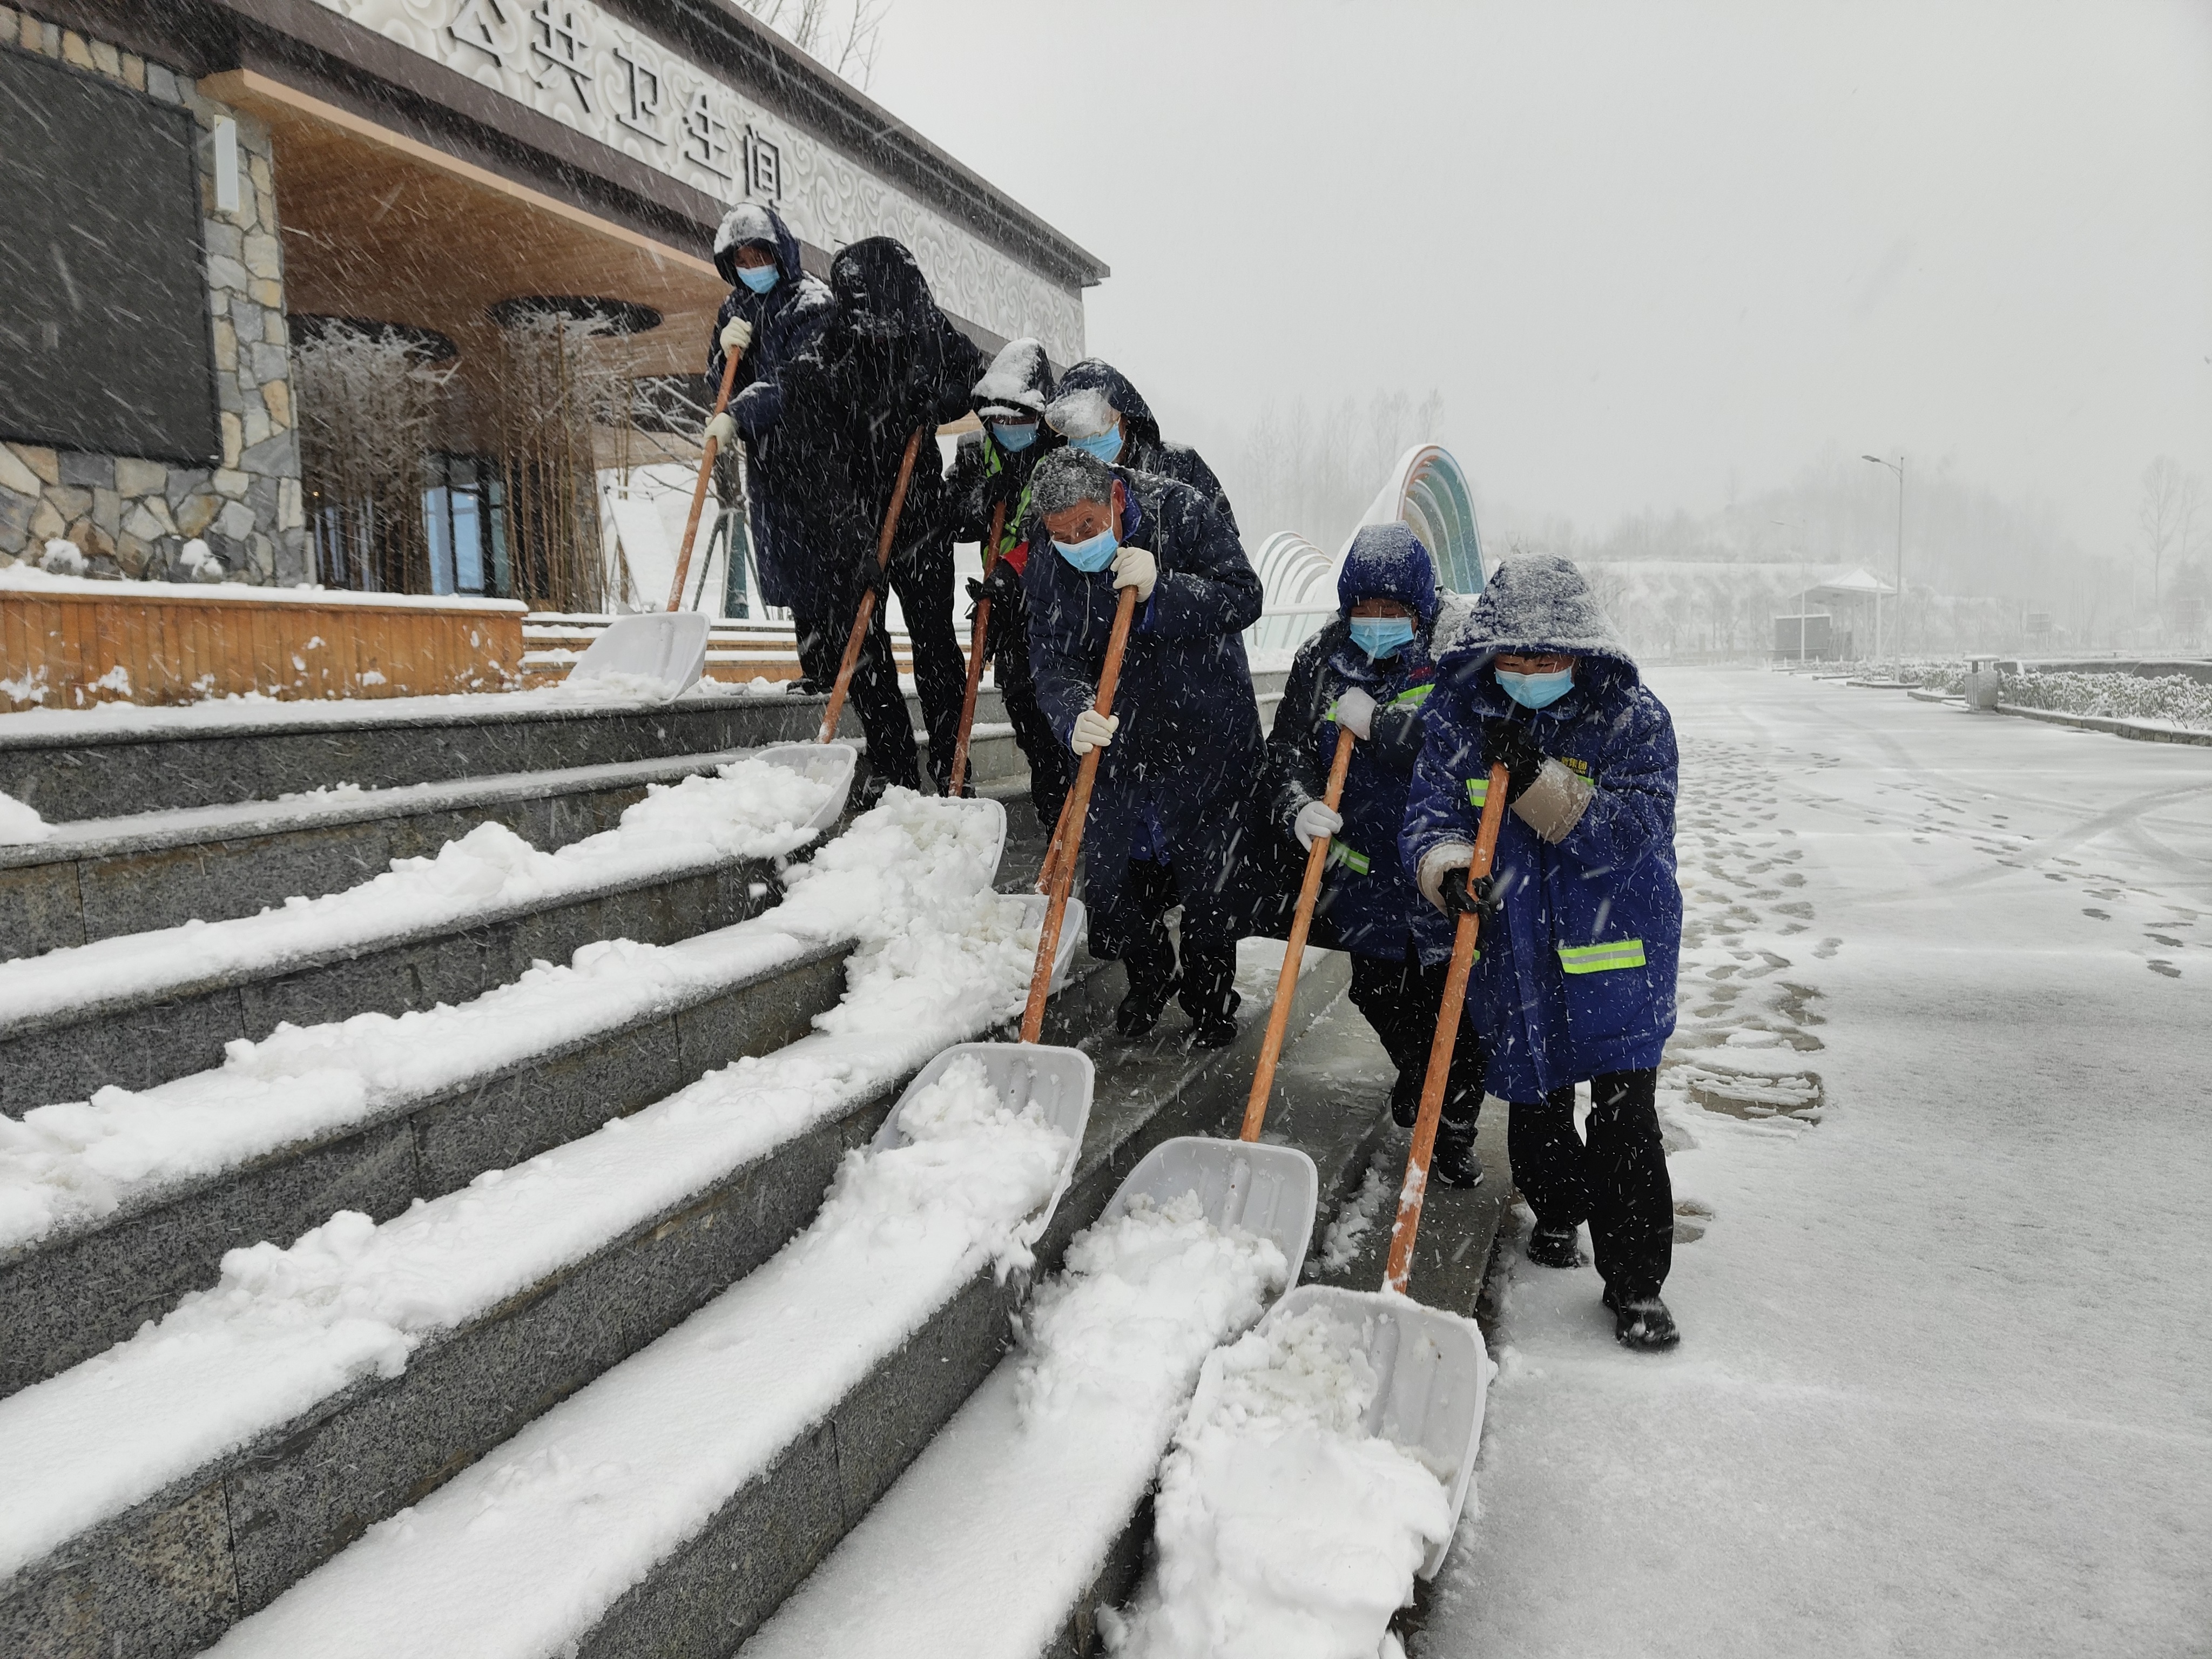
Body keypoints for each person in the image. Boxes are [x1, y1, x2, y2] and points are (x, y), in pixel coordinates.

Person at [1400, 554, 1685, 1350]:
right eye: (1512, 656)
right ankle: (1559, 1212)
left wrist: (1537, 779)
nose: (1526, 672)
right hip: (1515, 957)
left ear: (1582, 652)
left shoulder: (1634, 720)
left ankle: (1635, 1287)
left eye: (1547, 657)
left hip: (1616, 951)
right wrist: (1446, 870)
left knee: (1627, 1126)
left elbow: (1632, 837)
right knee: (1538, 1118)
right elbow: (1428, 815)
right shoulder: (1462, 718)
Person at [1260, 524, 1487, 1186]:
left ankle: (1453, 1129)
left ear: (1420, 607)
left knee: (1457, 1007)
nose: (1379, 623)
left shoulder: (1456, 653)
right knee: (1381, 991)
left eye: (1394, 612)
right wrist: (1297, 804)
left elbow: (1462, 745)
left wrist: (1382, 727)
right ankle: (1421, 1075)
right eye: (1366, 610)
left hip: (1440, 873)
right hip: (1366, 877)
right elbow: (1286, 753)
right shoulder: (1322, 659)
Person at [1023, 447, 1264, 1048]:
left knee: (1210, 883)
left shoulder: (1179, 511)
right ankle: (1152, 975)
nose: (1077, 543)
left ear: (1115, 497)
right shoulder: (1049, 559)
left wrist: (1165, 590)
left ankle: (1211, 998)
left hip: (1202, 730)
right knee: (1116, 883)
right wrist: (1073, 713)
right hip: (1121, 740)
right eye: (1061, 535)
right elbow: (1050, 655)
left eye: (1087, 526)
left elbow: (1244, 595)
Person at [775, 237, 982, 794]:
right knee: (862, 649)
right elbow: (815, 470)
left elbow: (970, 374)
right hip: (849, 521)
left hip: (919, 514)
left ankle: (952, 763)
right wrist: (854, 543)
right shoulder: (819, 364)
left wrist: (940, 398)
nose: (887, 326)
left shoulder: (924, 330)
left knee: (936, 645)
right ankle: (892, 767)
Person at [946, 338, 1071, 823]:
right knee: (1028, 720)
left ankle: (1073, 818)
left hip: (1059, 611)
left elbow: (1058, 533)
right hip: (1006, 612)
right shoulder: (977, 453)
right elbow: (951, 519)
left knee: (1060, 719)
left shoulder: (1064, 455)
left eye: (1020, 420)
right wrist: (979, 499)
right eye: (999, 421)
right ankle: (1053, 817)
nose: (1009, 430)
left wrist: (1013, 573)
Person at [701, 203, 832, 630]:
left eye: (759, 257)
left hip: (816, 458)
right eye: (741, 261)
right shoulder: (736, 307)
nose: (751, 267)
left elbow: (797, 380)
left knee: (825, 567)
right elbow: (720, 380)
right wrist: (724, 354)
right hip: (768, 462)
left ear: (780, 253)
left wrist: (738, 415)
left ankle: (844, 674)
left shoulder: (811, 303)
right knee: (789, 566)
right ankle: (814, 671)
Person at [1044, 360, 1240, 537]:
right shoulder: (1062, 483)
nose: (1086, 436)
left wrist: (1160, 576)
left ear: (1125, 417)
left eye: (1100, 420)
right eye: (1073, 428)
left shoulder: (1182, 465)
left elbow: (1225, 548)